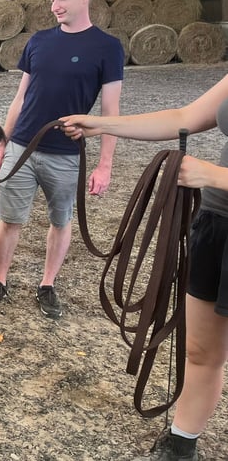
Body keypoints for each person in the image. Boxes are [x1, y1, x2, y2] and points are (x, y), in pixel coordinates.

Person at [61, 76, 228, 461]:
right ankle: (182, 443)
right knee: (201, 350)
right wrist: (101, 124)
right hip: (219, 224)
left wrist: (215, 176)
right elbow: (184, 116)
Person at [0, 0, 124, 319]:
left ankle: (47, 285)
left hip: (66, 155)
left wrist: (104, 165)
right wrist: (2, 143)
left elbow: (110, 111)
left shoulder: (108, 48)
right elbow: (20, 98)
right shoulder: (39, 41)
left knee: (61, 221)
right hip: (23, 147)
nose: (54, 6)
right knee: (9, 219)